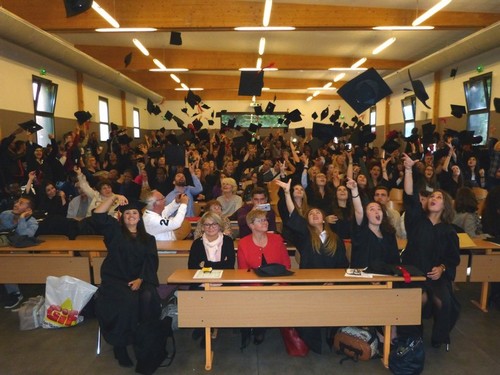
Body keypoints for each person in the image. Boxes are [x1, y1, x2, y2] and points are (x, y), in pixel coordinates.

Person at [92, 194, 161, 368]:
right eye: (127, 213)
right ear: (122, 216)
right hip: (115, 279)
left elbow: (151, 262)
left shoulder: (148, 239)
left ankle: (144, 338)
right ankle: (120, 345)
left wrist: (141, 278)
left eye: (135, 213)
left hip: (141, 278)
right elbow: (98, 215)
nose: (131, 216)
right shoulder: (114, 232)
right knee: (127, 301)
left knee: (148, 296)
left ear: (140, 217)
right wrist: (113, 197)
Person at [402, 152, 460, 350]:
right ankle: (413, 336)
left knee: (444, 303)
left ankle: (439, 337)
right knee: (420, 299)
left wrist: (442, 268)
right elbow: (409, 196)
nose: (434, 198)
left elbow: (453, 258)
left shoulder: (448, 231)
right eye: (432, 196)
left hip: (435, 276)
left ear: (445, 206)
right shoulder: (416, 220)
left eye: (439, 197)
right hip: (414, 272)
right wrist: (409, 169)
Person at [237, 209, 290, 346]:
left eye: (265, 219)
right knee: (254, 297)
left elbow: (286, 265)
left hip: (278, 282)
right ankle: (250, 328)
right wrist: (257, 287)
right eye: (260, 220)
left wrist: (279, 283)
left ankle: (260, 328)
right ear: (251, 225)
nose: (265, 222)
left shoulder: (277, 239)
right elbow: (243, 271)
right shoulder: (243, 243)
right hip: (253, 284)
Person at [347, 179, 400, 271]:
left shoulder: (389, 233)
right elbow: (358, 210)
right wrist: (354, 190)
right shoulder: (361, 231)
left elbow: (394, 259)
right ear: (365, 215)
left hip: (386, 277)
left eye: (379, 209)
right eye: (371, 209)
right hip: (363, 278)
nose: (376, 211)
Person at [0, 196, 38, 309]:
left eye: (21, 203)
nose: (16, 204)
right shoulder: (5, 215)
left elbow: (23, 237)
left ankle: (15, 293)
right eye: (17, 202)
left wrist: (22, 218)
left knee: (7, 261)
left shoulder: (33, 223)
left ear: (28, 209)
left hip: (21, 251)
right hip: (4, 248)